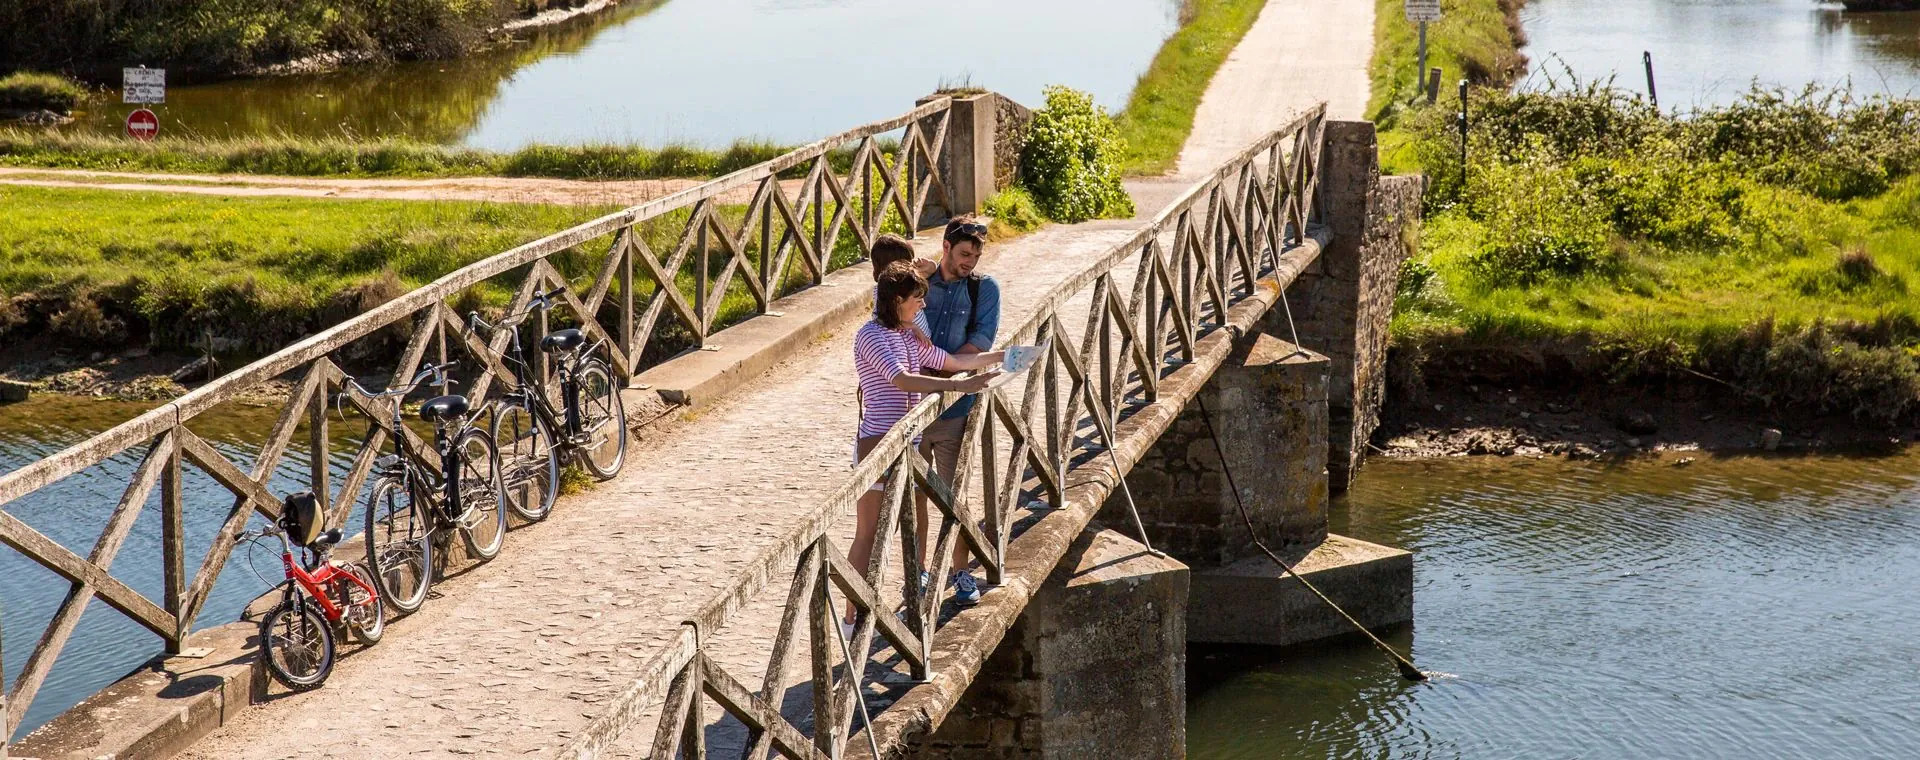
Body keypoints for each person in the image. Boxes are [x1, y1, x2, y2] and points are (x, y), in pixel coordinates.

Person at [848, 261, 1002, 633]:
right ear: (898, 299)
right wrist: (958, 387)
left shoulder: (908, 335)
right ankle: (853, 617)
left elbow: (950, 361)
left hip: (908, 445)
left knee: (903, 527)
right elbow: (901, 379)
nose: (922, 307)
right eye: (917, 299)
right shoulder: (870, 336)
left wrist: (1002, 357)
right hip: (878, 444)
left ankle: (896, 608)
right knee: (869, 531)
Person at [916, 215, 999, 605]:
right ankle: (916, 572)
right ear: (945, 246)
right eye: (965, 253)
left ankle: (960, 571)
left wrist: (942, 366)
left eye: (976, 255)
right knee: (912, 497)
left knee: (954, 496)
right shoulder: (917, 283)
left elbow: (981, 341)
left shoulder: (984, 289)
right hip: (910, 408)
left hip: (955, 407)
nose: (970, 262)